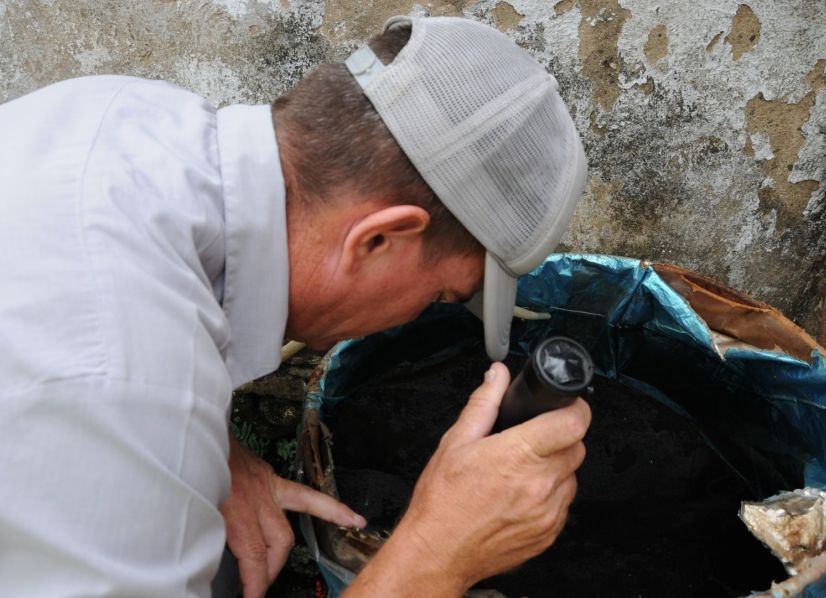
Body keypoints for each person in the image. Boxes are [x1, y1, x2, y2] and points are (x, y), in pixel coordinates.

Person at [0, 14, 590, 598]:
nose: (419, 316)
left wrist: (213, 453)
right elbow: (111, 387)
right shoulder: (122, 383)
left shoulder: (127, 112)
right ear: (377, 240)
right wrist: (437, 552)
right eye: (438, 294)